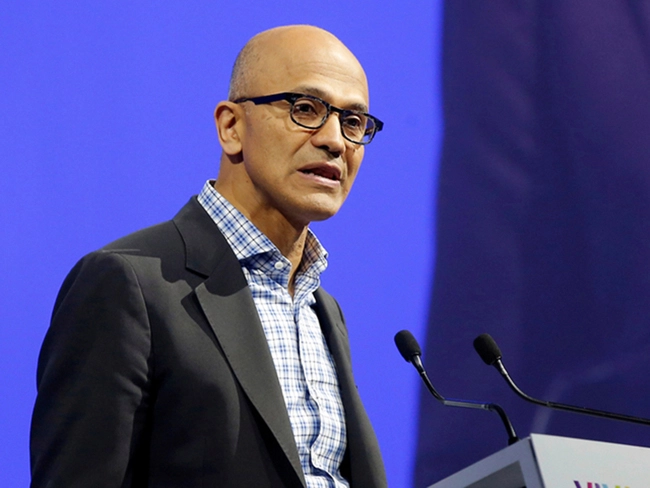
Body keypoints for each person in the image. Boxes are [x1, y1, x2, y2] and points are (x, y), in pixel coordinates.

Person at [30, 25, 387, 488]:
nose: (335, 140)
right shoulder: (127, 285)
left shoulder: (323, 310)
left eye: (353, 122)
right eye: (305, 109)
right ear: (231, 127)